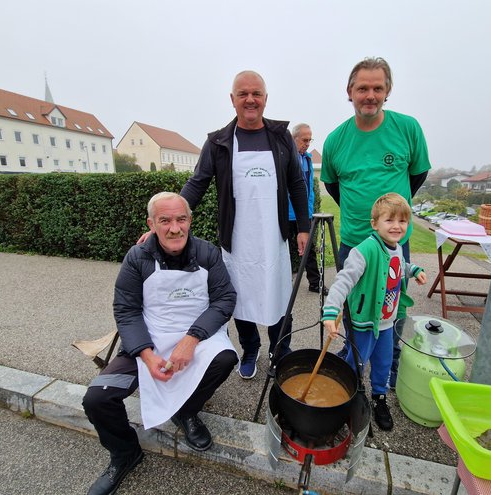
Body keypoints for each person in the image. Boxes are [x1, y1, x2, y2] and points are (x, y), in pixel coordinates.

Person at [83, 192, 238, 495]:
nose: (175, 228)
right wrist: (146, 354)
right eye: (165, 221)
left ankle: (187, 411)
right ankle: (125, 453)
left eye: (181, 219)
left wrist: (192, 338)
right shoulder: (137, 257)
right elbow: (126, 310)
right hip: (148, 339)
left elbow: (224, 299)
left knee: (225, 358)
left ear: (190, 221)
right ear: (151, 224)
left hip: (198, 336)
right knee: (97, 399)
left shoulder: (208, 253)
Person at [179, 70, 310, 379]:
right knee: (241, 296)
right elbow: (197, 183)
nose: (250, 99)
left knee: (279, 295)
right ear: (233, 99)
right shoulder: (218, 142)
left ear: (265, 98)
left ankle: (281, 351)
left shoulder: (280, 137)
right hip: (237, 239)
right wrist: (173, 217)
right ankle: (249, 349)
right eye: (243, 94)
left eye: (257, 93)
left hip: (273, 236)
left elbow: (297, 182)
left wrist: (303, 226)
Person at [320, 57, 431, 386]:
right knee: (355, 304)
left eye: (377, 88)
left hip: (395, 240)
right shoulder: (336, 140)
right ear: (349, 92)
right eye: (362, 88)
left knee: (391, 304)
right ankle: (354, 353)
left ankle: (390, 361)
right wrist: (366, 216)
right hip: (354, 239)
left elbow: (417, 176)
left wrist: (390, 216)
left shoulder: (407, 128)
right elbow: (333, 186)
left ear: (387, 91)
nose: (370, 94)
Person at [322, 193, 427, 431]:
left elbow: (398, 267)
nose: (397, 226)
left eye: (402, 221)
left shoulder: (397, 248)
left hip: (388, 323)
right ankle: (346, 395)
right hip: (364, 323)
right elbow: (343, 281)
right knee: (356, 363)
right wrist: (330, 310)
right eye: (389, 220)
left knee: (383, 363)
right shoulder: (364, 251)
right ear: (375, 223)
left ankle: (379, 398)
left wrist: (413, 270)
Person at [288, 123, 328, 295]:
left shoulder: (308, 159)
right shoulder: (286, 157)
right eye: (304, 140)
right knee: (286, 251)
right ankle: (282, 287)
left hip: (305, 214)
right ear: (294, 138)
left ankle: (315, 283)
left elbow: (309, 188)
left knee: (310, 249)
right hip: (287, 214)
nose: (307, 144)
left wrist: (309, 210)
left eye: (309, 140)